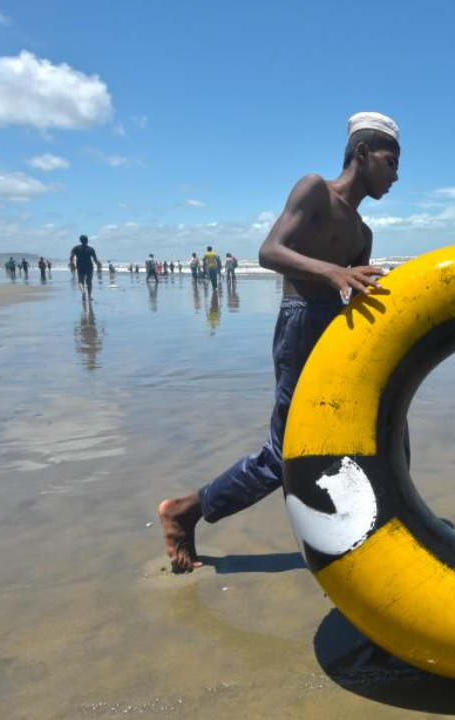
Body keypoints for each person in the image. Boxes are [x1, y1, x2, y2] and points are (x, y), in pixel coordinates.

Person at [158, 111, 399, 573]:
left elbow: (353, 294)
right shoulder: (313, 189)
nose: (395, 176)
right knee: (286, 450)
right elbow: (269, 251)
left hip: (334, 329)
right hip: (300, 322)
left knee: (335, 439)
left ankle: (343, 533)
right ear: (363, 154)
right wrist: (333, 271)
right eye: (390, 162)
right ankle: (187, 510)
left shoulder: (363, 233)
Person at [70, 235, 100, 302]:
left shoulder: (76, 248)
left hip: (80, 267)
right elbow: (95, 260)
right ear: (87, 240)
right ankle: (89, 296)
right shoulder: (91, 249)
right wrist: (98, 265)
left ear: (80, 241)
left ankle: (83, 291)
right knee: (89, 282)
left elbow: (71, 257)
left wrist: (72, 264)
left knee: (80, 281)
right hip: (89, 267)